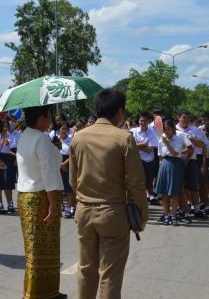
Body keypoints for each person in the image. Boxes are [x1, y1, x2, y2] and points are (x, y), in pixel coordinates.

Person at [69, 88, 148, 299]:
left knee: (86, 269)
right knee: (110, 273)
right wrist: (142, 214)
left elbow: (72, 180)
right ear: (120, 111)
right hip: (113, 212)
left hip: (84, 211)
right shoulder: (124, 138)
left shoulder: (78, 138)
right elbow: (136, 184)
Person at [16, 105, 67, 299]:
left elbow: (47, 161)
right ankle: (41, 293)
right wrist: (53, 203)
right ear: (40, 119)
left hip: (25, 195)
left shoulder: (25, 136)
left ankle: (37, 291)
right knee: (46, 248)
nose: (51, 120)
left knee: (33, 249)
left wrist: (54, 147)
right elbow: (48, 172)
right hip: (41, 197)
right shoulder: (40, 138)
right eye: (49, 116)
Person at [156, 119, 191, 226]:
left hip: (175, 164)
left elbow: (175, 154)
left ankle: (174, 215)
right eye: (164, 129)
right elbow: (160, 155)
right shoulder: (160, 140)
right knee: (165, 194)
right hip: (164, 165)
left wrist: (167, 143)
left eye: (168, 129)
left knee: (175, 193)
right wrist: (161, 167)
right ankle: (166, 215)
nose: (166, 132)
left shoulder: (178, 139)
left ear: (173, 129)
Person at [176, 110, 207, 219]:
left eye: (188, 118)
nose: (186, 120)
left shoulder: (195, 130)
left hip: (192, 161)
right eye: (184, 117)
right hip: (177, 161)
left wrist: (192, 140)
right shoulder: (173, 129)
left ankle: (197, 209)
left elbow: (203, 144)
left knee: (193, 186)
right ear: (178, 118)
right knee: (181, 187)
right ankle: (183, 209)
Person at [131, 112, 159, 205]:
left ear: (148, 121)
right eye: (141, 120)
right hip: (136, 160)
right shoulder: (133, 131)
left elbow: (150, 150)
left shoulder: (153, 133)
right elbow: (129, 146)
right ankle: (137, 200)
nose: (143, 122)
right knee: (135, 182)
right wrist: (143, 144)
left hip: (148, 161)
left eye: (145, 121)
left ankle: (150, 197)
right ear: (139, 121)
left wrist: (136, 145)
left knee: (148, 182)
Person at [58, 122, 75, 219]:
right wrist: (59, 165)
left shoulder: (70, 140)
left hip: (67, 164)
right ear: (59, 130)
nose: (63, 131)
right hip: (57, 164)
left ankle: (69, 209)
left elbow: (72, 154)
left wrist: (64, 164)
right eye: (62, 129)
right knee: (58, 188)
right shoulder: (55, 139)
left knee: (69, 189)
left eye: (65, 129)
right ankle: (60, 207)